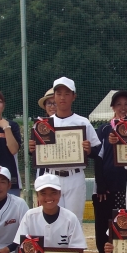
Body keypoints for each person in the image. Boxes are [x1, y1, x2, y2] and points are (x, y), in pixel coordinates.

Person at [28, 77, 101, 223]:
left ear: (73, 96)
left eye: (67, 94)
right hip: (52, 176)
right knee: (52, 219)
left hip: (75, 176)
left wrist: (88, 150)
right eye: (59, 93)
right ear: (54, 96)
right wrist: (32, 149)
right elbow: (37, 154)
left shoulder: (82, 122)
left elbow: (97, 150)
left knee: (74, 220)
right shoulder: (43, 125)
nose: (62, 97)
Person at [93, 90, 127, 253]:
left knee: (124, 223)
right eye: (119, 104)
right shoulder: (103, 129)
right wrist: (100, 184)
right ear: (113, 107)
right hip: (106, 187)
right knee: (103, 223)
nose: (123, 108)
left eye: (126, 104)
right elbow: (98, 157)